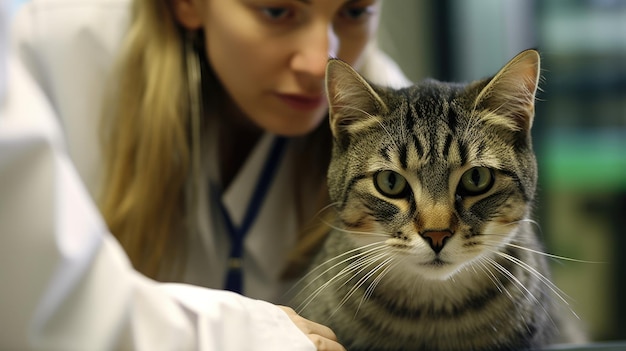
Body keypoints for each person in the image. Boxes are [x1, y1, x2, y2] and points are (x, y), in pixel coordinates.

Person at [6, 0, 409, 348]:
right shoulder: (55, 53)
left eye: (354, 12)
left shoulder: (387, 118)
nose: (318, 61)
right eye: (276, 10)